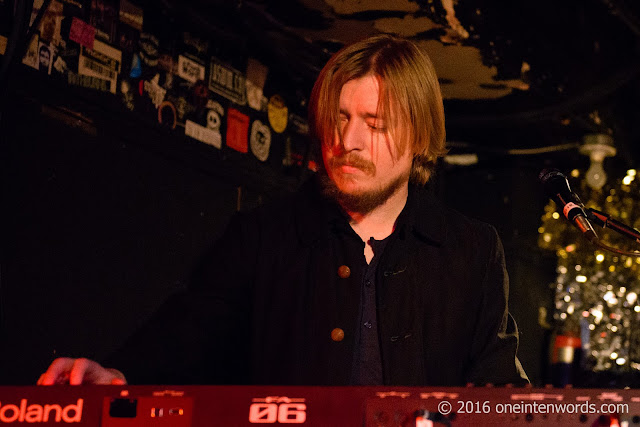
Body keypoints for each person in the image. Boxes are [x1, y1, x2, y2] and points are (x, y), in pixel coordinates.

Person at [39, 34, 528, 386]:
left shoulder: (472, 249)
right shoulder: (263, 237)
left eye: (374, 124)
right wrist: (119, 374)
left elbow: (497, 384)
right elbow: (189, 335)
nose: (347, 141)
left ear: (419, 136)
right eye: (339, 119)